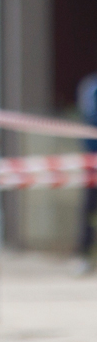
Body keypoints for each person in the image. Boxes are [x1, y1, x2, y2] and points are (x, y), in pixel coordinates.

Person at [77, 71, 97, 274]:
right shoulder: (92, 87)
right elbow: (90, 118)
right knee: (89, 210)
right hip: (93, 161)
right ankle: (84, 256)